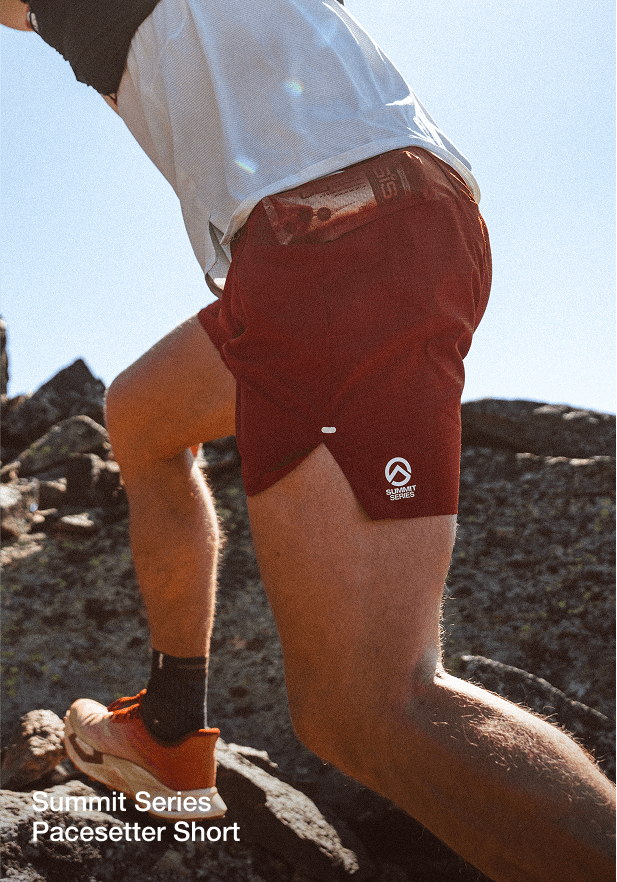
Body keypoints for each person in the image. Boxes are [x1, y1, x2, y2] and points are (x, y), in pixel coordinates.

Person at [2, 1, 615, 879]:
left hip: (329, 233)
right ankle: (171, 728)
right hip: (348, 225)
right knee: (142, 413)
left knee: (368, 707)